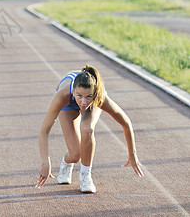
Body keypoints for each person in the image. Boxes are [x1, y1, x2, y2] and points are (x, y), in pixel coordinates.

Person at [36, 65, 143, 193]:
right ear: (74, 92)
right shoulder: (62, 95)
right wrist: (45, 163)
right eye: (79, 96)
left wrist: (132, 154)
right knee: (76, 155)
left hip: (92, 104)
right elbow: (44, 131)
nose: (83, 102)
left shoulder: (99, 97)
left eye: (88, 96)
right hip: (68, 105)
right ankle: (66, 163)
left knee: (87, 129)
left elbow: (126, 122)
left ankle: (85, 175)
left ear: (95, 94)